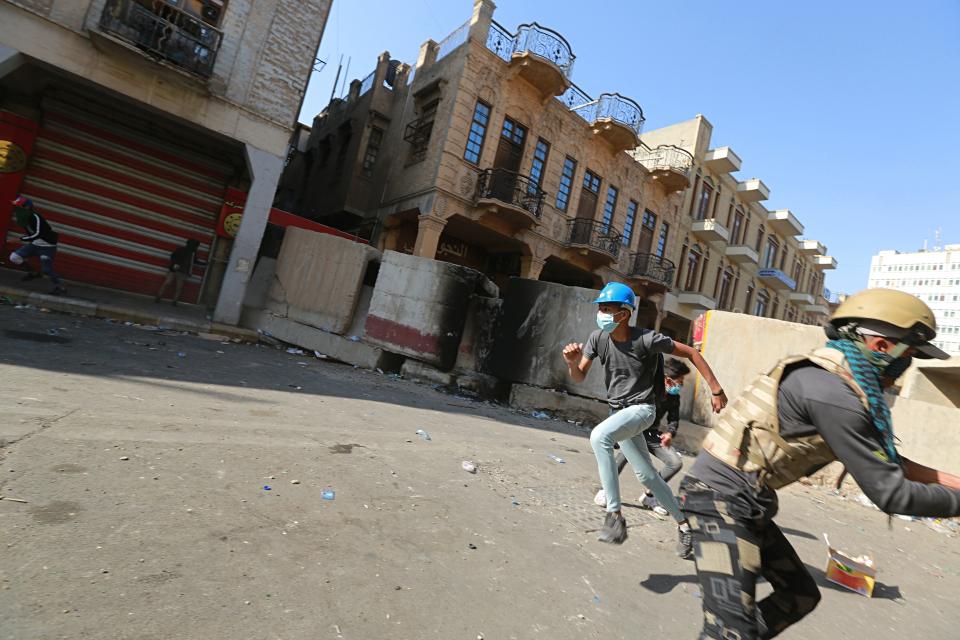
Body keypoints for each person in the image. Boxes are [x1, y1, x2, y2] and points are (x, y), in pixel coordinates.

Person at [680, 287, 960, 639]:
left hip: (746, 501)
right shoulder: (834, 395)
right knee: (730, 632)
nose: (906, 368)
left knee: (798, 596)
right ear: (882, 347)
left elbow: (888, 461)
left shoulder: (834, 380)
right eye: (911, 355)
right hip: (718, 499)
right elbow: (892, 493)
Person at [562, 282, 727, 556]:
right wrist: (571, 361)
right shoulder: (597, 339)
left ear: (624, 314)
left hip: (642, 410)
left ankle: (615, 516)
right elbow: (578, 375)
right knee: (648, 476)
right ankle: (686, 528)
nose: (601, 313)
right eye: (600, 308)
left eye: (607, 309)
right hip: (620, 413)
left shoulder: (646, 339)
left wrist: (716, 389)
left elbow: (692, 353)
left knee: (599, 437)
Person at [594, 357, 691, 516]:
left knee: (675, 462)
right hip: (634, 429)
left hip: (652, 434)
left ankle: (650, 495)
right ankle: (606, 491)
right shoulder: (646, 388)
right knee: (625, 452)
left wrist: (669, 433)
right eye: (679, 381)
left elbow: (674, 419)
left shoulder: (674, 397)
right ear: (667, 379)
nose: (681, 385)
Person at [8, 196, 66, 296]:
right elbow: (32, 235)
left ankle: (60, 287)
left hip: (47, 246)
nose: (17, 209)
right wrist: (27, 239)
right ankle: (33, 273)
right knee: (14, 257)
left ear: (27, 207)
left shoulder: (36, 217)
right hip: (35, 244)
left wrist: (20, 239)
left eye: (19, 207)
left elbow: (38, 233)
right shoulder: (24, 219)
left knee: (46, 270)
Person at [155, 238, 204, 306]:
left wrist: (204, 264)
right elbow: (173, 256)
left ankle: (173, 301)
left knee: (176, 287)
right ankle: (159, 297)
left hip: (182, 272)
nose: (197, 247)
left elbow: (195, 261)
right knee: (169, 284)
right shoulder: (181, 249)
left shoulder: (193, 253)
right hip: (175, 270)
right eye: (196, 246)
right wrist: (175, 264)